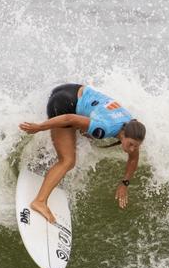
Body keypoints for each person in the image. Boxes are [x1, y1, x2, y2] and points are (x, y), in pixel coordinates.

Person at [19, 83, 146, 223]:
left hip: (73, 90)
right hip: (64, 104)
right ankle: (39, 201)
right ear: (124, 134)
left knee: (83, 135)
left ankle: (43, 158)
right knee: (68, 161)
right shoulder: (105, 128)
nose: (132, 149)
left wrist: (124, 183)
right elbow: (69, 119)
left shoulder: (131, 124)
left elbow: (133, 159)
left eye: (136, 146)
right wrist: (40, 127)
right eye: (131, 145)